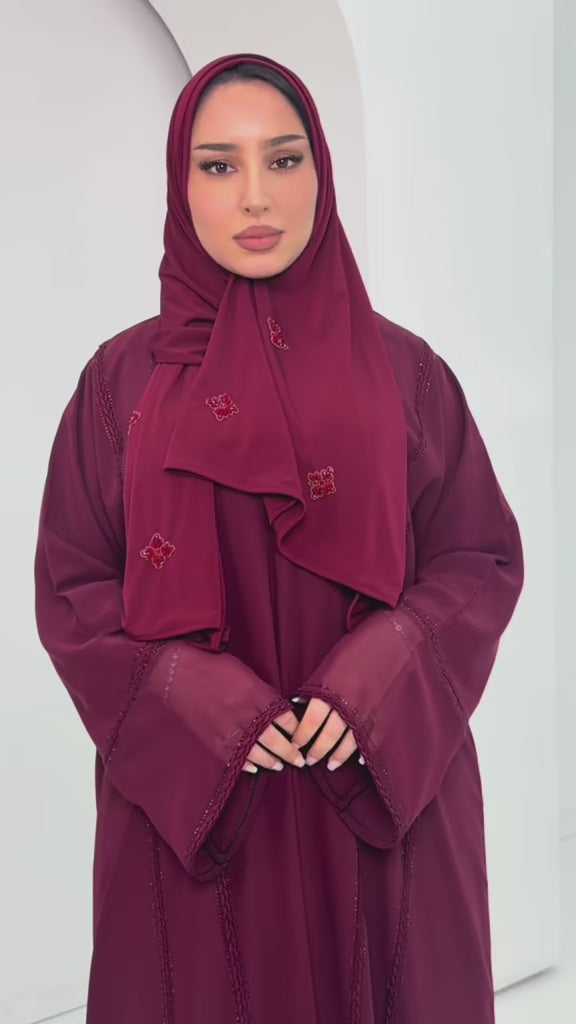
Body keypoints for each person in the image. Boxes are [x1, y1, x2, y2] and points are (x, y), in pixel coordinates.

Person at [34, 52, 523, 1024]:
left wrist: (379, 680)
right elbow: (73, 589)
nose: (256, 195)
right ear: (180, 185)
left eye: (284, 159)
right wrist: (204, 707)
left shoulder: (408, 375)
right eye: (219, 165)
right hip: (200, 810)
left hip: (379, 799)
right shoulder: (118, 388)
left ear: (320, 173)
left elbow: (479, 557)